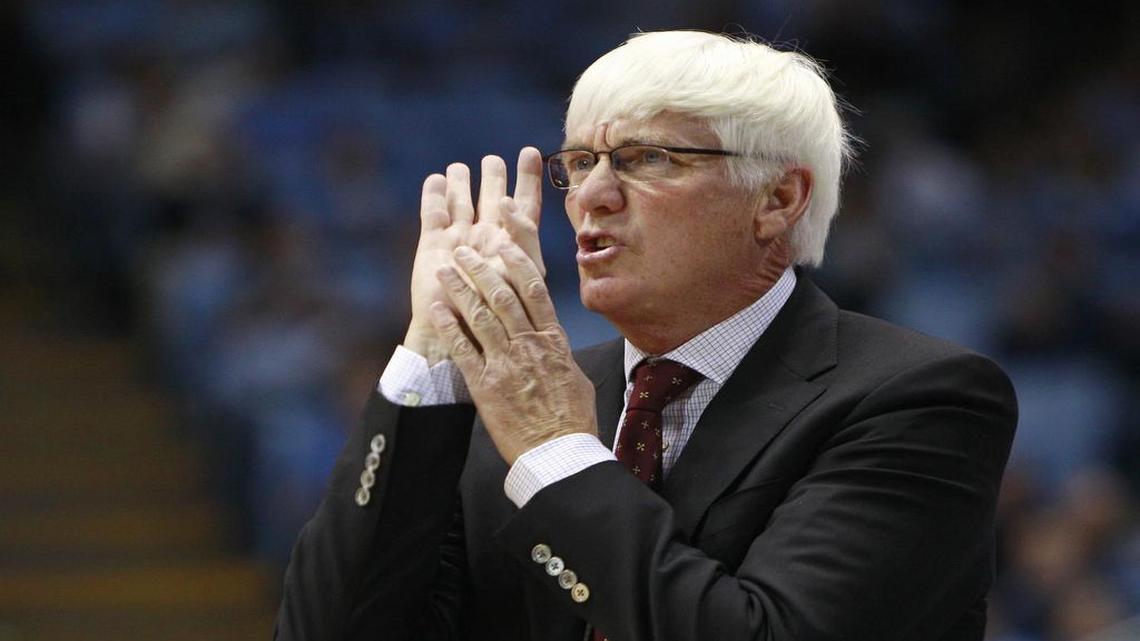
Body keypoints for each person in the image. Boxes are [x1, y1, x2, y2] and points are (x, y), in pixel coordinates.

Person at [274, 30, 1017, 641]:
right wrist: (431, 363)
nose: (592, 194)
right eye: (581, 162)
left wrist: (556, 451)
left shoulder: (919, 399)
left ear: (778, 199)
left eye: (647, 158)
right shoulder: (519, 408)